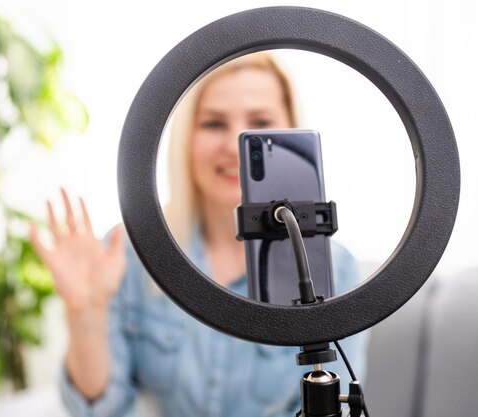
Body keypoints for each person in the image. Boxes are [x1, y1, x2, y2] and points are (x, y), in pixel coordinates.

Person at [30, 52, 368, 417]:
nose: (235, 144)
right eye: (213, 124)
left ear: (291, 132)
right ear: (186, 136)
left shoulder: (336, 270)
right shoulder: (130, 252)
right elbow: (100, 409)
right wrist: (85, 314)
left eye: (260, 121)